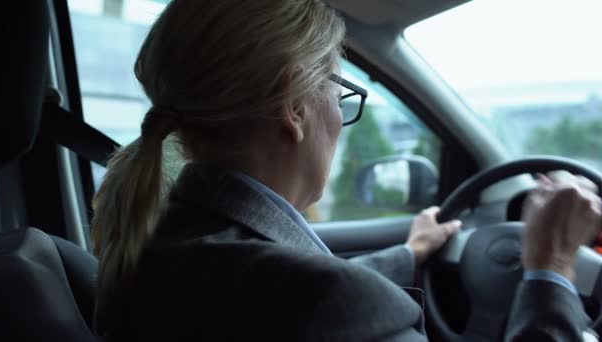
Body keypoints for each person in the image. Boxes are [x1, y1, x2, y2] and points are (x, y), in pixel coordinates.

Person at [90, 0, 602, 340]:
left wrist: (409, 254)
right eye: (341, 92)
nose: (340, 119)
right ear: (293, 105)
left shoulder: (156, 242)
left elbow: (285, 291)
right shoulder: (334, 305)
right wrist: (550, 266)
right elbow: (315, 299)